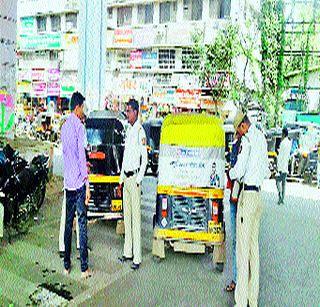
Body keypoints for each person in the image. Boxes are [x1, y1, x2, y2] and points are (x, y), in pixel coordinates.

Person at [229, 110, 270, 307]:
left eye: (238, 129)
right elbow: (267, 170)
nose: (239, 133)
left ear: (243, 126)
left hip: (247, 196)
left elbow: (240, 170)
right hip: (259, 195)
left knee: (242, 250)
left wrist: (231, 171)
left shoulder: (247, 142)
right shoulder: (261, 137)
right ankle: (252, 301)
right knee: (254, 249)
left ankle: (240, 301)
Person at [60, 91, 91, 279]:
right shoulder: (80, 127)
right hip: (78, 183)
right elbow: (81, 157)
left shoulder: (64, 127)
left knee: (67, 224)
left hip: (67, 182)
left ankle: (66, 264)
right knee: (82, 224)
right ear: (78, 107)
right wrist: (87, 184)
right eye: (83, 108)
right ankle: (84, 268)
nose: (83, 111)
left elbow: (67, 156)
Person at [117, 99, 148, 270]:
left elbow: (145, 159)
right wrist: (121, 178)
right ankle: (127, 252)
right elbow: (125, 157)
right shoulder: (129, 130)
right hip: (126, 179)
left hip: (135, 179)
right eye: (126, 110)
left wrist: (138, 179)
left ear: (136, 112)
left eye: (129, 110)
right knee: (126, 217)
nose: (127, 113)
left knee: (136, 220)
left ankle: (137, 257)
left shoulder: (140, 132)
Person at [225, 132, 242, 293]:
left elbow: (236, 172)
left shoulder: (242, 145)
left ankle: (238, 280)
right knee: (237, 241)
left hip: (238, 197)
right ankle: (238, 279)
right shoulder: (237, 145)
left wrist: (230, 172)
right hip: (234, 196)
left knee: (238, 241)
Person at [276, 127, 292, 205]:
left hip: (281, 166)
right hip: (285, 166)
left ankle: (280, 196)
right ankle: (283, 198)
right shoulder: (289, 143)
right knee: (283, 183)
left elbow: (280, 156)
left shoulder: (282, 143)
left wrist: (278, 167)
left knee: (278, 181)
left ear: (283, 134)